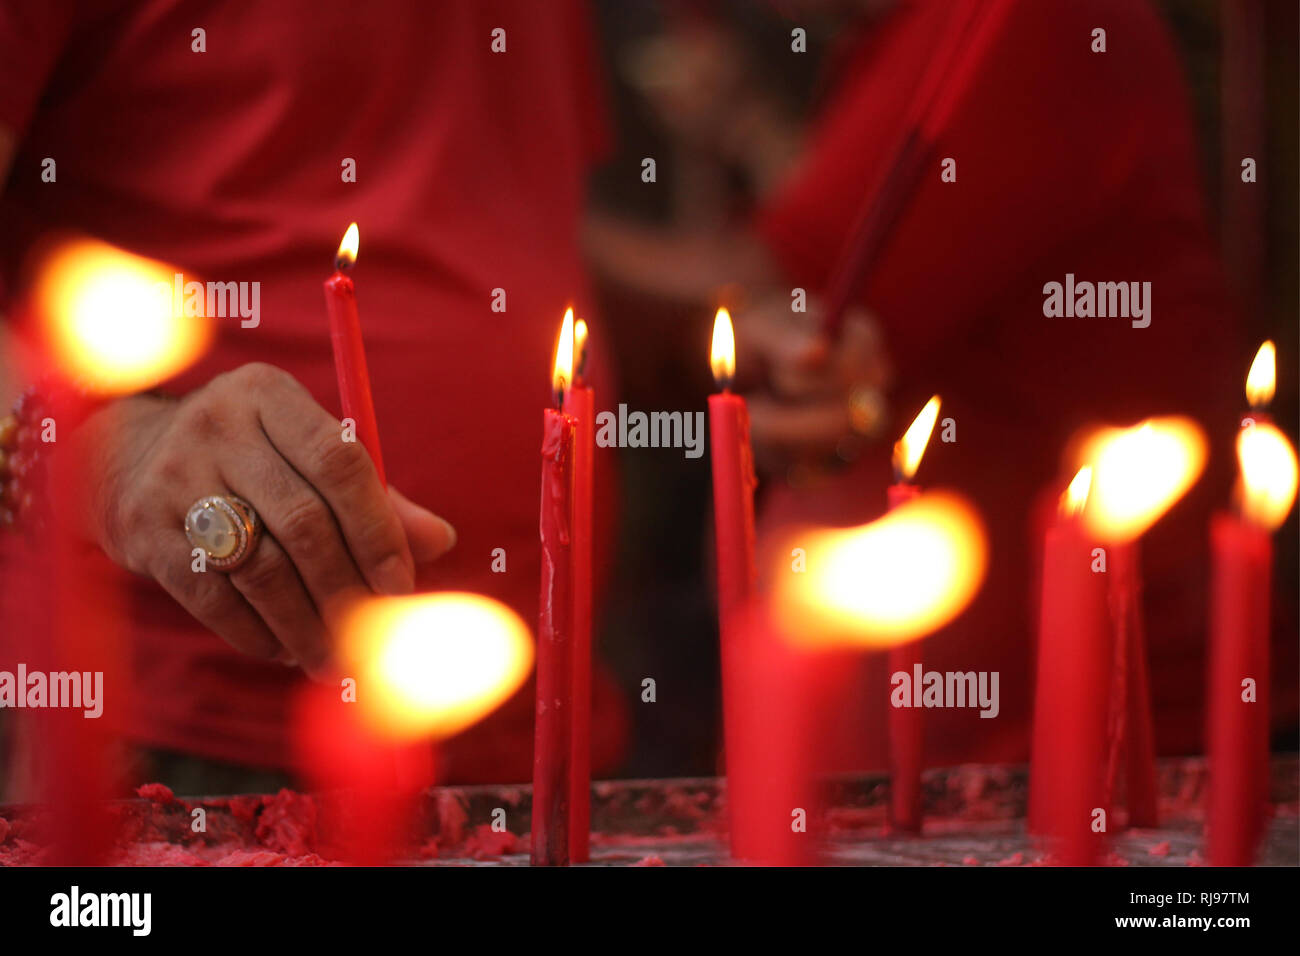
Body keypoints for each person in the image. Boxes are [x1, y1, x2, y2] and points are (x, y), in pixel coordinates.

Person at [586, 0, 1283, 769]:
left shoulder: (1030, 21)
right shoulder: (897, 34)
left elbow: (779, 283)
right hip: (927, 738)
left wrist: (505, 226)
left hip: (1051, 763)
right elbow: (820, 296)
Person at [0, 0, 627, 794]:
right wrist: (103, 453)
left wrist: (722, 342)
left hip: (546, 729)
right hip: (176, 734)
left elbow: (481, 221)